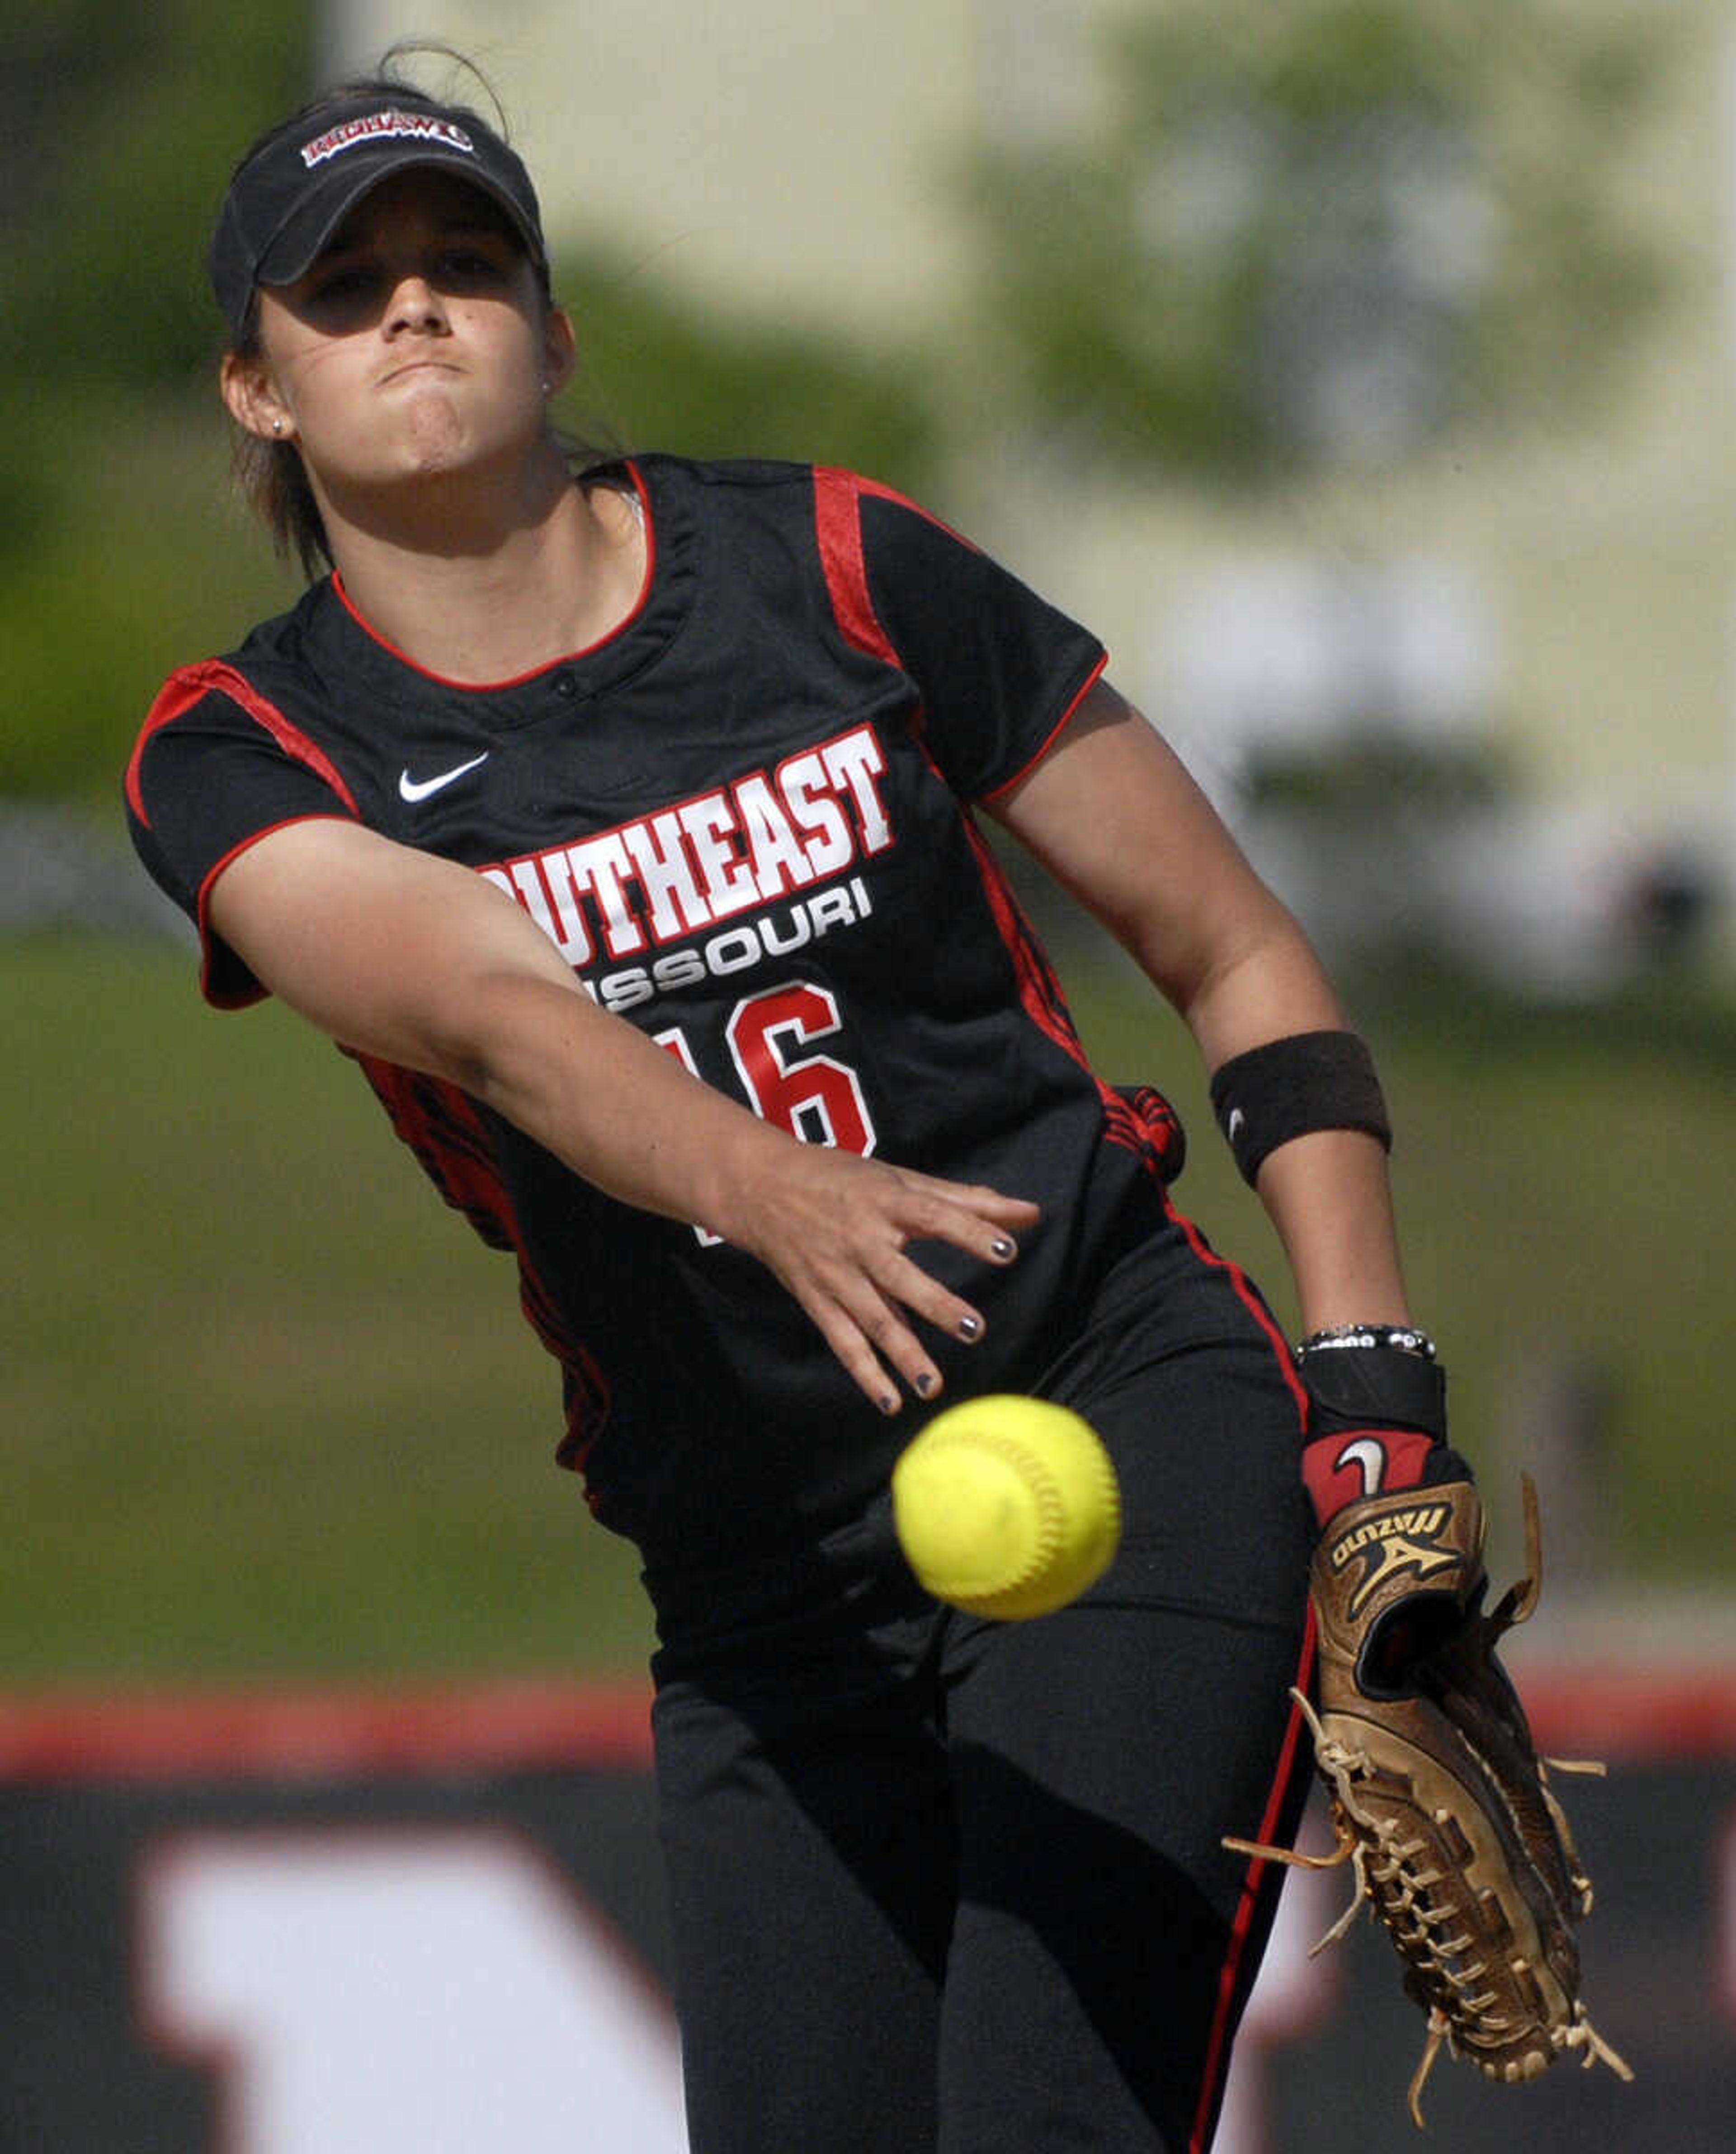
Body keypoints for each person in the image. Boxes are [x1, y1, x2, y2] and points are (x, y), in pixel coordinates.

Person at [125, 59, 1464, 2154]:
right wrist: (769, 1185)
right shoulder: (244, 751)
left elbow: (1236, 950)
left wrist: (1372, 1356)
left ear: (554, 336)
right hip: (761, 1586)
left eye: (466, 264)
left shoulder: (832, 564)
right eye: (343, 285)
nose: (413, 308)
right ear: (257, 392)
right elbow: (492, 1011)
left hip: (1117, 1408)